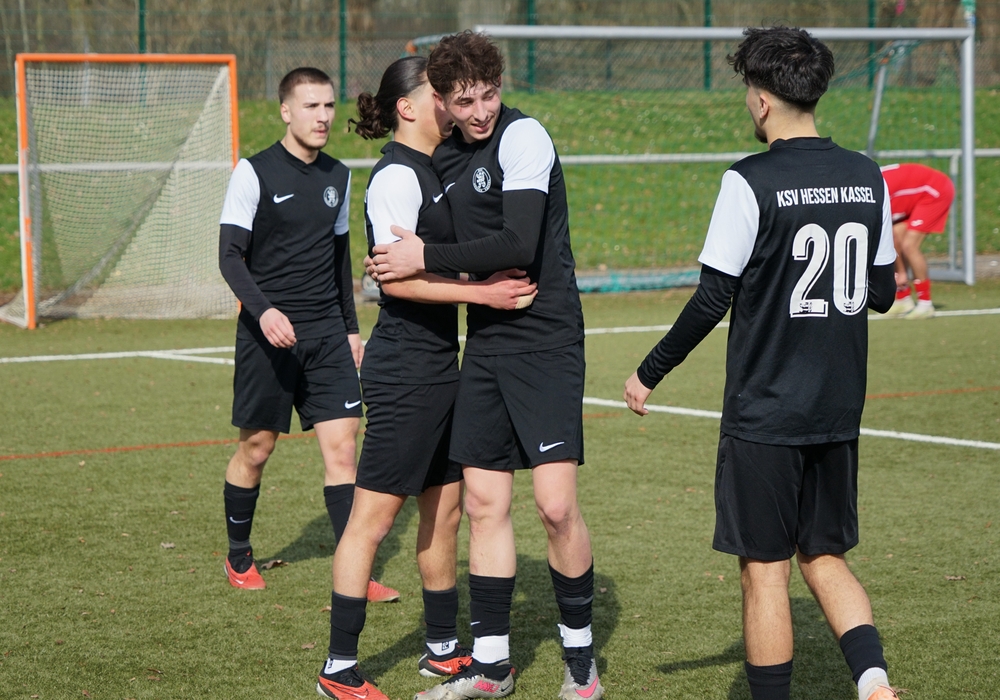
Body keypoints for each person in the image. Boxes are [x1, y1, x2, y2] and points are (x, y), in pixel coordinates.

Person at [623, 27, 900, 700]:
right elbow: (885, 294)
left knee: (765, 570)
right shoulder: (866, 174)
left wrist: (648, 370)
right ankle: (873, 684)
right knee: (825, 556)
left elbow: (714, 297)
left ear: (762, 100)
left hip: (767, 413)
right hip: (837, 408)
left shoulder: (749, 181)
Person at [370, 31, 603, 700]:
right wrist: (393, 262)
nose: (480, 112)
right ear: (440, 100)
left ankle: (581, 660)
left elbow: (519, 243)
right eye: (464, 101)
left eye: (489, 95)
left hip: (547, 337)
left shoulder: (525, 139)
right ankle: (492, 667)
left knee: (556, 508)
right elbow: (416, 246)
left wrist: (424, 259)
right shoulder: (442, 156)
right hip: (488, 340)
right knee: (482, 502)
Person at [317, 56, 537, 700]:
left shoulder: (435, 168)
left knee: (444, 517)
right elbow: (398, 279)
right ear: (410, 107)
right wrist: (484, 297)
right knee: (371, 520)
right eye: (438, 95)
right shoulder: (394, 176)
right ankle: (339, 668)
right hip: (405, 370)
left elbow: (421, 261)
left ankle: (442, 649)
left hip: (444, 367)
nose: (452, 104)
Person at [217, 67, 397, 603]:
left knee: (343, 452)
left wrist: (350, 328)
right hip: (266, 336)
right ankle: (239, 554)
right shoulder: (253, 173)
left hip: (326, 335)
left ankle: (354, 571)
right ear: (286, 111)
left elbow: (340, 260)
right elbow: (229, 255)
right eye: (311, 106)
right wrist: (264, 311)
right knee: (256, 448)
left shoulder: (338, 177)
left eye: (328, 106)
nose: (322, 117)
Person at [881, 162, 955, 318]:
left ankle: (925, 303)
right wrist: (900, 272)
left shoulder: (877, 194)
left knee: (909, 245)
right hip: (915, 195)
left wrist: (900, 273)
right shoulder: (868, 185)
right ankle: (903, 299)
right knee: (894, 236)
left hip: (936, 191)